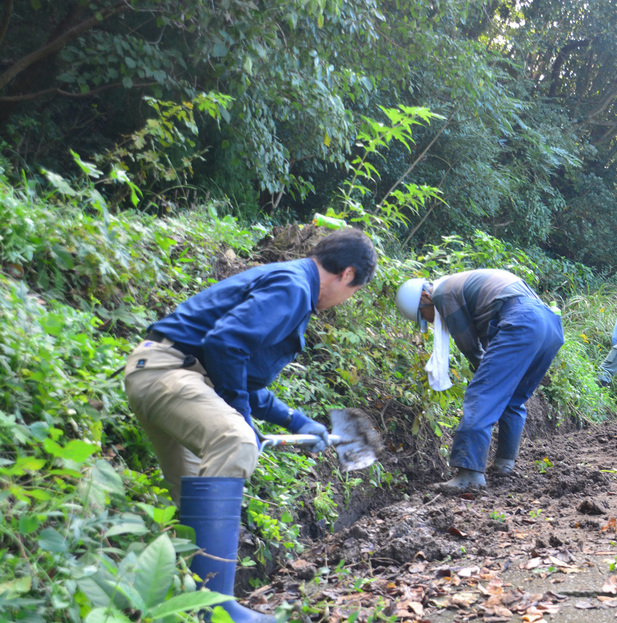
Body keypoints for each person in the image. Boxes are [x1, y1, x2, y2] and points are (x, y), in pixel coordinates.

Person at [123, 228, 377, 623]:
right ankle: (215, 609)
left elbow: (240, 378)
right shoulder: (294, 287)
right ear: (347, 275)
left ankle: (179, 608)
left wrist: (296, 420)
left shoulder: (290, 284)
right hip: (169, 372)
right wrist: (240, 418)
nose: (347, 299)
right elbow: (226, 345)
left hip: (167, 374)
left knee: (191, 505)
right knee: (235, 440)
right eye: (354, 290)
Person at [395, 269, 564, 489]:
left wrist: (484, 375)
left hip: (521, 321)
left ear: (424, 298)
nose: (429, 321)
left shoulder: (442, 293)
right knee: (512, 399)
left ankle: (468, 475)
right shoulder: (464, 285)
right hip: (549, 326)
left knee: (482, 394)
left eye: (424, 316)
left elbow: (469, 345)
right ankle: (504, 465)